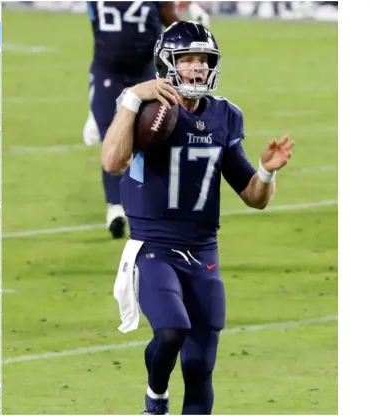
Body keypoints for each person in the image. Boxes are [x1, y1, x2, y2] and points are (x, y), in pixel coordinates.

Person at [102, 22, 294, 415]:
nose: (195, 69)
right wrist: (132, 100)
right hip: (153, 247)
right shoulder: (143, 106)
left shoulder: (225, 115)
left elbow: (254, 198)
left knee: (200, 366)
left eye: (203, 61)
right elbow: (112, 161)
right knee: (172, 329)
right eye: (186, 60)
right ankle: (155, 397)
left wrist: (267, 171)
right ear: (166, 64)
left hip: (203, 252)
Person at [84, 1, 210, 239]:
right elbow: (97, 27)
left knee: (155, 137)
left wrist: (192, 28)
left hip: (147, 71)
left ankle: (155, 201)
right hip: (108, 71)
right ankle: (115, 206)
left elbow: (171, 21)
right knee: (112, 137)